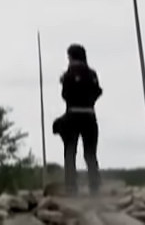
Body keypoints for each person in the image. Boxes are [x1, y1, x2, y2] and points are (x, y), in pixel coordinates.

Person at [53, 44, 102, 195]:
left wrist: (65, 82)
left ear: (72, 57)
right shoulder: (92, 73)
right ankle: (94, 186)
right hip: (89, 114)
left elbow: (65, 95)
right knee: (90, 153)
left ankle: (71, 186)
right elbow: (98, 91)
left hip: (73, 114)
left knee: (70, 151)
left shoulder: (69, 74)